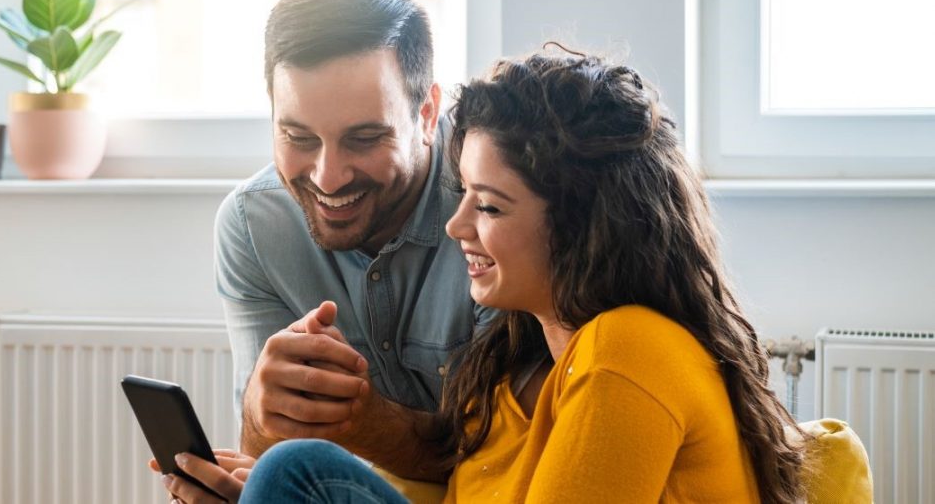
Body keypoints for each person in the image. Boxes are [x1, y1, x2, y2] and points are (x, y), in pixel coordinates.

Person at [217, 46, 809, 503]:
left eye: (490, 206)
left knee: (294, 472)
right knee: (292, 473)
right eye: (463, 194)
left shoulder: (628, 348)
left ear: (581, 225)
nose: (455, 227)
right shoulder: (508, 375)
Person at [157, 0, 498, 503]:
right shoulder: (252, 225)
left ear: (426, 114)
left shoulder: (493, 201)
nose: (327, 176)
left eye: (363, 139)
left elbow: (509, 459)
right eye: (298, 138)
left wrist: (366, 423)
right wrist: (258, 419)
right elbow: (265, 459)